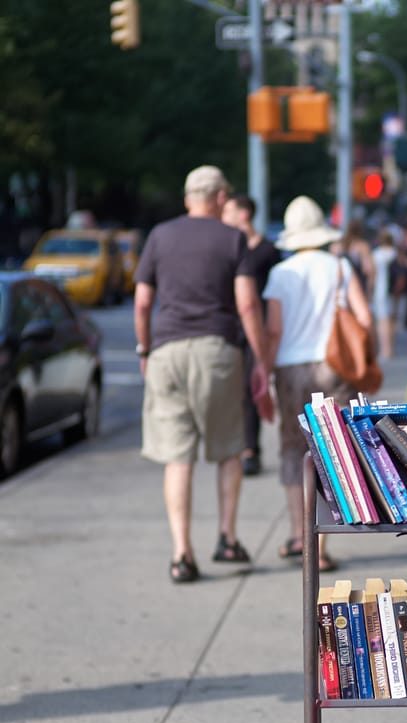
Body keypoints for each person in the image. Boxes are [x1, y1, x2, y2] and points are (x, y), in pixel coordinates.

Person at [134, 165, 270, 584]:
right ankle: (227, 538)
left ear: (187, 197)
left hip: (167, 351)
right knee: (229, 448)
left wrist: (145, 349)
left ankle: (181, 554)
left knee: (178, 457)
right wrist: (261, 361)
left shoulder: (159, 235)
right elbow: (247, 305)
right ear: (218, 197)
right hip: (216, 351)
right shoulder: (233, 239)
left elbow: (142, 303)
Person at [262, 196, 373, 571]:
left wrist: (263, 367)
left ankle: (299, 535)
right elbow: (365, 318)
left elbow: (273, 329)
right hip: (334, 365)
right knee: (332, 453)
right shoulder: (340, 267)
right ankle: (322, 547)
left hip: (290, 367)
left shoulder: (281, 273)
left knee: (293, 451)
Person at [222, 192, 283, 476]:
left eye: (229, 211)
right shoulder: (226, 247)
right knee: (229, 389)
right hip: (228, 325)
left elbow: (274, 296)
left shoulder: (268, 251)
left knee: (250, 388)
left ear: (244, 213)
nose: (224, 216)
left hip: (255, 326)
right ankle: (234, 446)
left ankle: (250, 449)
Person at [371, 229, 398, 358]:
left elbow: (372, 274)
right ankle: (391, 347)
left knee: (382, 320)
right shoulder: (395, 253)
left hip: (381, 290)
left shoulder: (377, 255)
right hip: (395, 291)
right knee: (392, 319)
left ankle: (385, 349)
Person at [341, 219, 375, 296]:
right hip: (357, 287)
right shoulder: (363, 246)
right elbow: (368, 270)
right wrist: (369, 292)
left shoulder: (338, 246)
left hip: (341, 288)